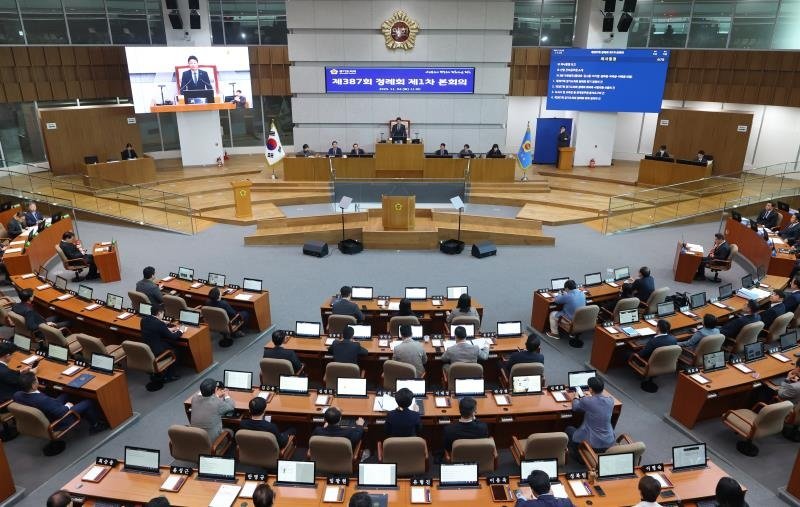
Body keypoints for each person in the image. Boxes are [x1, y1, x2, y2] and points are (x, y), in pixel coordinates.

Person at [14, 371, 107, 433]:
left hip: (48, 411)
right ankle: (96, 425)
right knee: (88, 402)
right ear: (34, 385)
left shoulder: (17, 395)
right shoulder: (43, 400)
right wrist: (68, 406)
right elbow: (61, 412)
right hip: (60, 421)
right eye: (36, 379)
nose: (38, 380)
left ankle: (86, 414)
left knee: (67, 393)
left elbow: (50, 403)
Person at [566, 376, 615, 456]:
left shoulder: (587, 401)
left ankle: (578, 455)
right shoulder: (610, 400)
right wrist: (589, 397)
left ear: (591, 389)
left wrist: (576, 397)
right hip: (608, 442)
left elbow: (575, 407)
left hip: (593, 444)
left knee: (569, 429)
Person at [140, 304, 182, 382]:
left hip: (148, 348)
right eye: (163, 313)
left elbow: (156, 329)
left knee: (169, 344)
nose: (163, 315)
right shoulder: (159, 324)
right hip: (157, 351)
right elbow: (173, 337)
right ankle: (170, 376)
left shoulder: (144, 320)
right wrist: (181, 331)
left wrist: (167, 328)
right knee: (176, 351)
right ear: (159, 313)